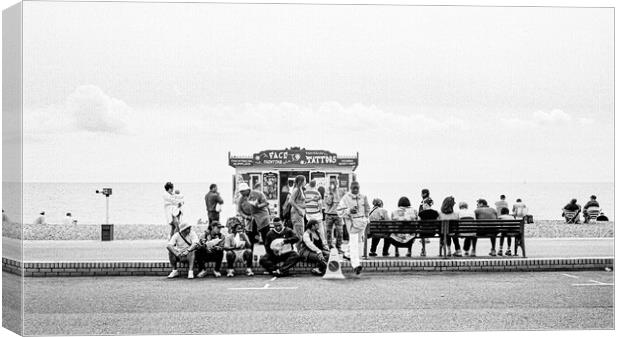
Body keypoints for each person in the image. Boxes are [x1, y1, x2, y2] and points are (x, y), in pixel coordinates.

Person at [337, 181, 370, 275]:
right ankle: (356, 265)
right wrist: (349, 211)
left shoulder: (363, 197)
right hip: (351, 223)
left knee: (357, 242)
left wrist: (366, 218)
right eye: (354, 188)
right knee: (354, 243)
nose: (355, 190)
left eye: (357, 188)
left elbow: (367, 208)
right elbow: (339, 211)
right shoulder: (345, 198)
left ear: (359, 188)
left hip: (361, 223)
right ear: (351, 188)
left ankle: (347, 254)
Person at [236, 183, 260, 251]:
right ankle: (250, 251)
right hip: (247, 220)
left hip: (256, 218)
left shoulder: (254, 196)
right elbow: (240, 211)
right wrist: (246, 217)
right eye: (241, 192)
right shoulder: (240, 199)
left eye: (243, 191)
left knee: (257, 236)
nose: (241, 193)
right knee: (249, 237)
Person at [324, 181, 345, 254]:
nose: (335, 186)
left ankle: (338, 247)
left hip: (338, 214)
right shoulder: (327, 192)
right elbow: (329, 202)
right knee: (329, 232)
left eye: (336, 184)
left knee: (340, 232)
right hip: (329, 214)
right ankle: (330, 247)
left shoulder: (341, 191)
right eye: (333, 184)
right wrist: (331, 193)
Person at [289, 175, 307, 242]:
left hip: (299, 213)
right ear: (301, 181)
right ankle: (299, 250)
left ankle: (299, 249)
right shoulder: (296, 190)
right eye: (305, 180)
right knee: (299, 233)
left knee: (300, 232)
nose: (305, 182)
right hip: (297, 213)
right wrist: (299, 209)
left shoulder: (300, 189)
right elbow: (291, 201)